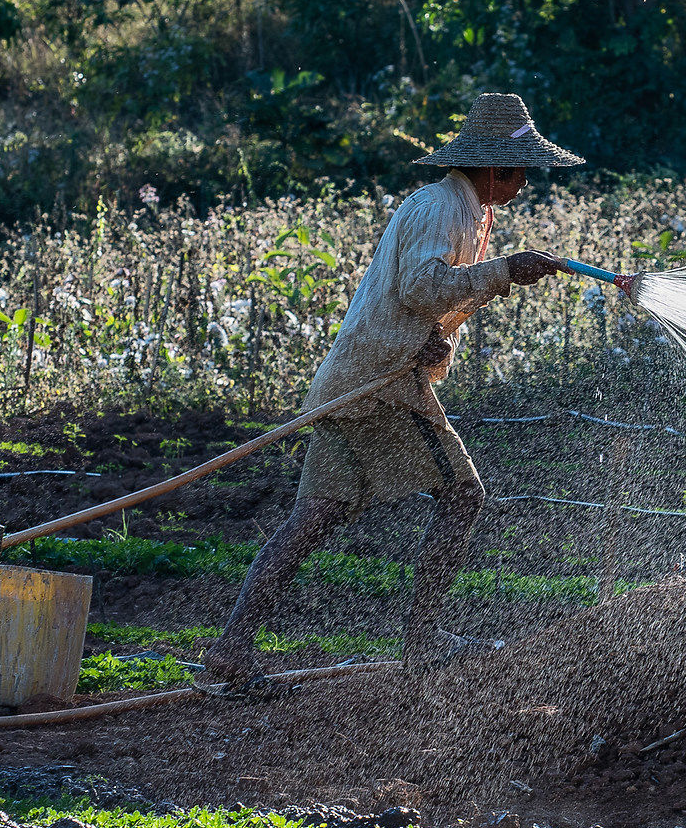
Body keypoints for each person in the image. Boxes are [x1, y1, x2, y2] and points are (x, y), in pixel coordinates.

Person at [197, 92, 583, 685]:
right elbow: (423, 287)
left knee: (312, 519)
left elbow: (423, 304)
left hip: (354, 382)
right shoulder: (440, 207)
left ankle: (231, 648)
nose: (526, 183)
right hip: (379, 387)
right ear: (497, 167)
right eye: (522, 170)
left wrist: (438, 342)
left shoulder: (465, 211)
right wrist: (508, 269)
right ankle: (422, 641)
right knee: (463, 494)